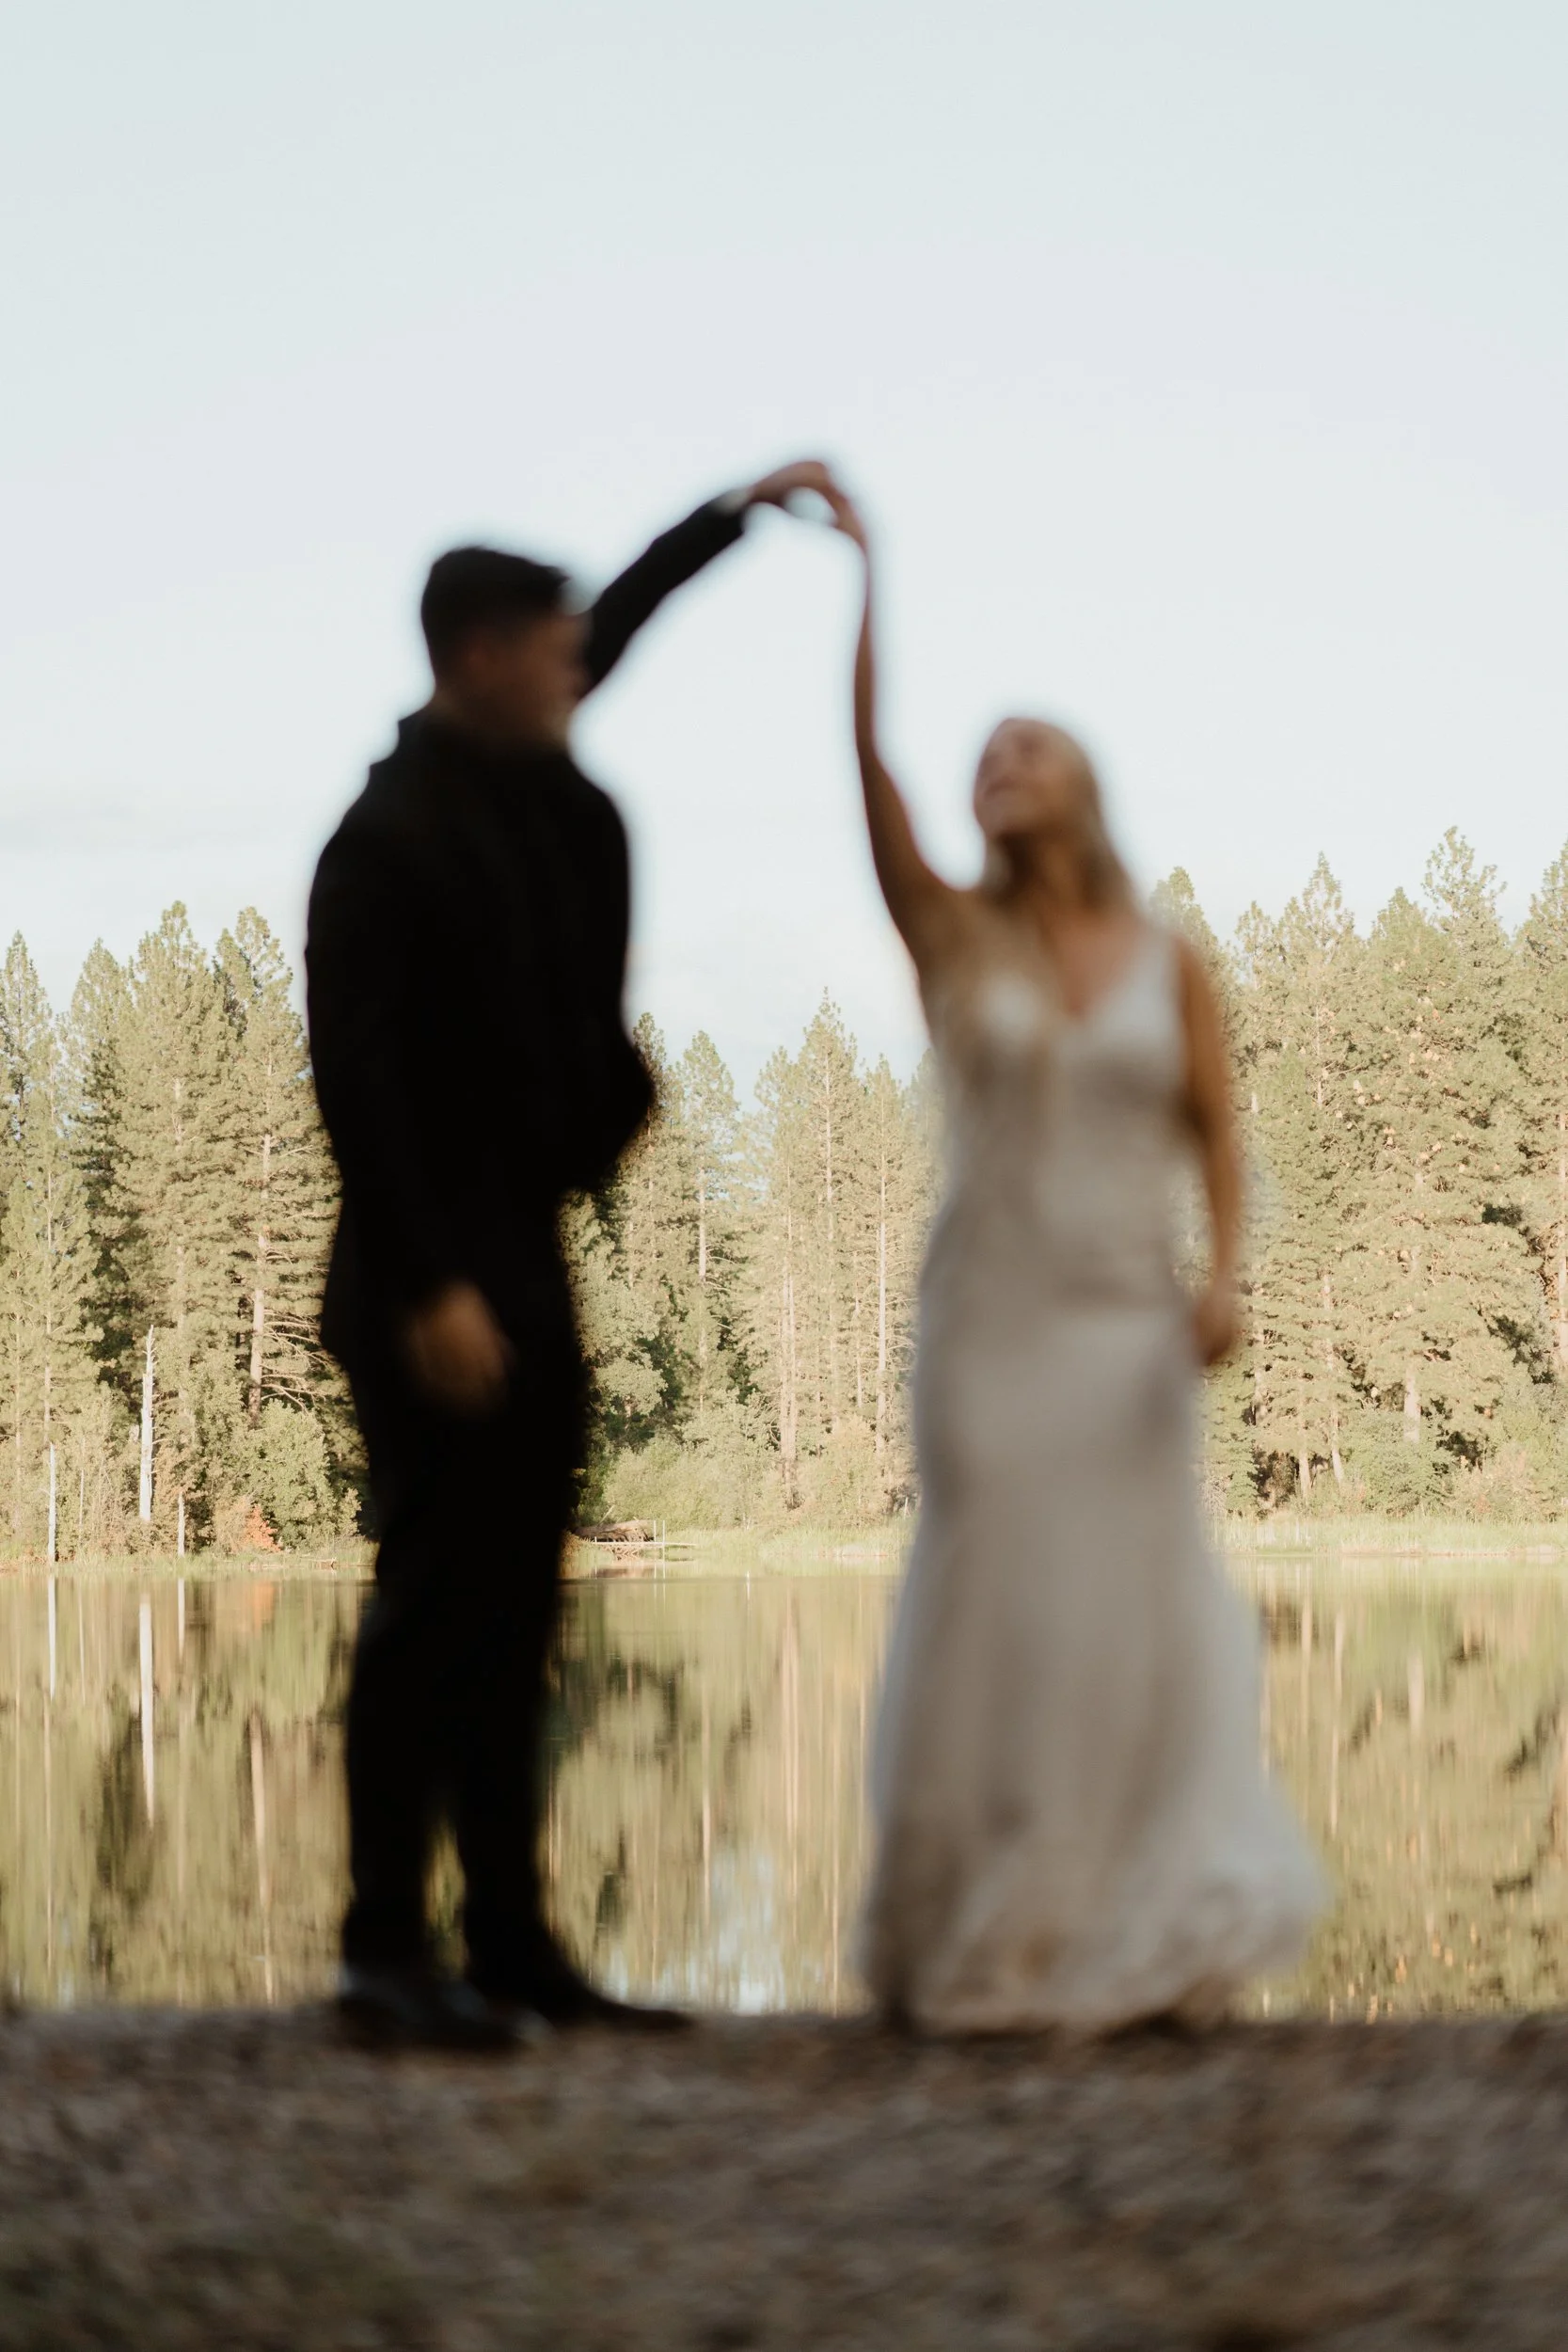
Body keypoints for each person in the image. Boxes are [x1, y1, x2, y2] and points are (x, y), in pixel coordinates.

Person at [307, 460, 839, 2048]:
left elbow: (627, 617)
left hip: (525, 1257)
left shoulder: (537, 786)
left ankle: (521, 1947)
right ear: (479, 657)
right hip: (422, 1282)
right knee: (428, 1605)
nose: (578, 666)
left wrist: (737, 514)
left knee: (521, 1614)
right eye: (551, 647)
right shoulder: (384, 839)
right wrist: (428, 1291)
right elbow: (357, 1085)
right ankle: (383, 1953)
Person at [820, 484, 1323, 2032]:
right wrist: (865, 576)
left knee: (1127, 1608)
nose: (996, 768)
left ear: (1083, 785)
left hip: (1122, 1320)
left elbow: (1218, 1134)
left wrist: (1225, 1277)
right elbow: (873, 781)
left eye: (1023, 747)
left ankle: (1139, 1927)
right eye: (982, 759)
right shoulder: (953, 939)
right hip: (988, 1318)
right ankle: (985, 1929)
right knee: (994, 1605)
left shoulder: (1171, 960)